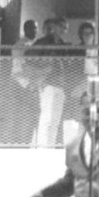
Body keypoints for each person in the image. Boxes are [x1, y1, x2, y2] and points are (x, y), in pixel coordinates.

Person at [28, 17, 70, 146]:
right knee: (47, 117)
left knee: (55, 120)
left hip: (60, 84)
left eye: (66, 28)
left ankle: (49, 146)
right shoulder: (43, 42)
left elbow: (67, 63)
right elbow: (29, 59)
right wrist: (42, 72)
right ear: (55, 27)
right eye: (61, 27)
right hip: (47, 83)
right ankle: (42, 148)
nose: (64, 30)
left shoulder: (62, 45)